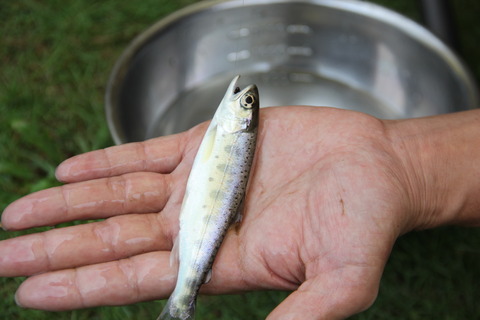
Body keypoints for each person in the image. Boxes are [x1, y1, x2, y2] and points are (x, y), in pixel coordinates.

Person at [0, 106, 479, 319]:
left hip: (200, 224)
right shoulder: (233, 127)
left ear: (237, 118)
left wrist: (395, 165)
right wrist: (399, 158)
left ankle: (180, 301)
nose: (244, 101)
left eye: (244, 105)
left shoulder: (233, 126)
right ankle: (182, 299)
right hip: (206, 215)